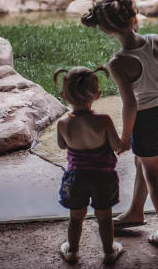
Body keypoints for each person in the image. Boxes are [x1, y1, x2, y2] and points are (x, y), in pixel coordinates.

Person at [81, 0, 158, 249]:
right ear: (134, 18)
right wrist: (157, 69)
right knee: (143, 161)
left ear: (106, 30)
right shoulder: (156, 41)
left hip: (147, 119)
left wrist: (125, 137)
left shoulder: (118, 63)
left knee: (153, 175)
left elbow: (130, 105)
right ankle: (136, 212)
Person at [54, 66, 125, 264]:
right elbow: (117, 145)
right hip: (103, 178)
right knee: (104, 217)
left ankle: (73, 251)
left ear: (63, 95)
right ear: (97, 94)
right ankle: (109, 251)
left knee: (76, 217)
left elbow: (61, 145)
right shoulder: (103, 120)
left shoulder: (63, 123)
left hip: (76, 177)